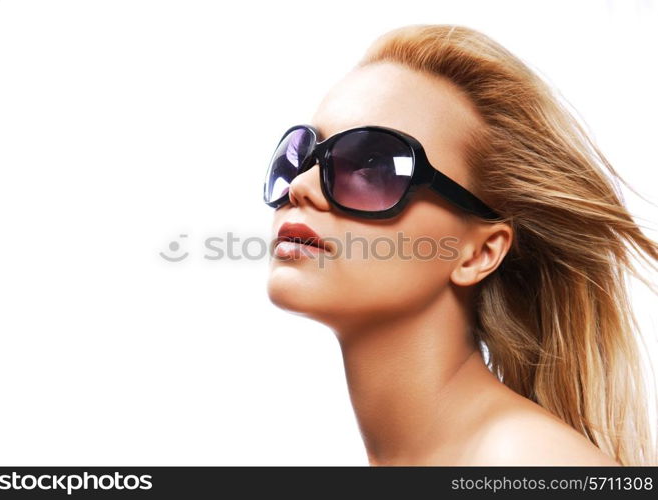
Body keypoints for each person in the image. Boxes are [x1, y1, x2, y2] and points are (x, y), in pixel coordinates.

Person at [263, 24, 657, 466]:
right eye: (298, 156)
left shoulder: (528, 463)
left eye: (372, 166)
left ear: (479, 253)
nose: (300, 185)